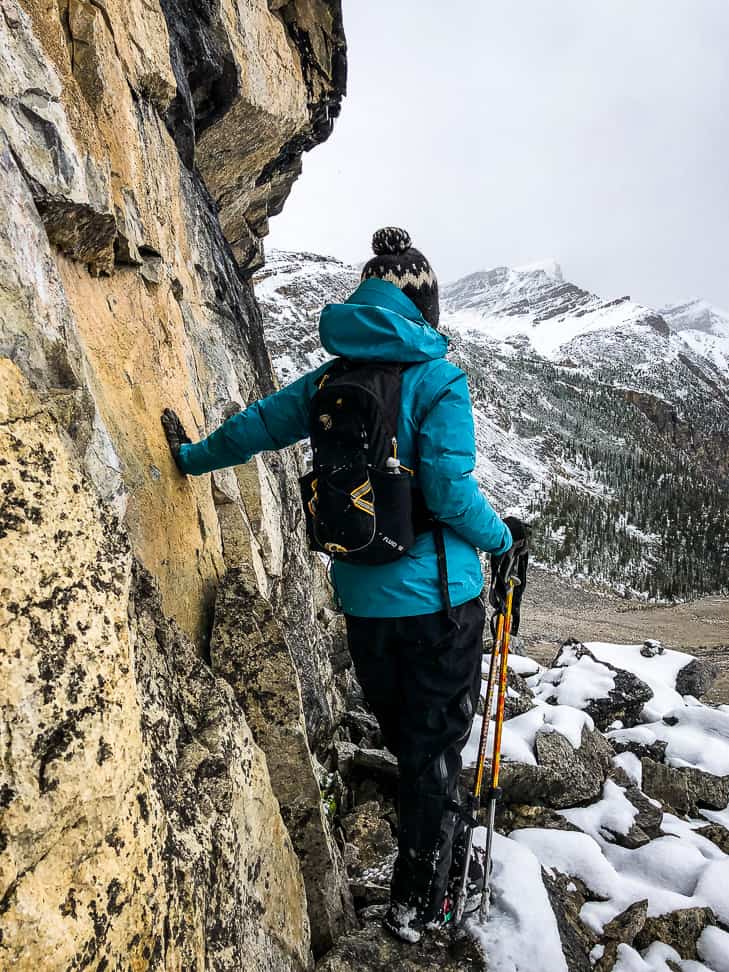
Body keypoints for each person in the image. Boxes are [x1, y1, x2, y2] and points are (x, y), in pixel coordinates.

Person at [161, 226, 526, 944]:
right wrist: (504, 539)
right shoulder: (438, 380)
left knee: (404, 737)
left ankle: (419, 875)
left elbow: (256, 428)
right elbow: (451, 494)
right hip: (439, 600)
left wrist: (191, 456)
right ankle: (421, 901)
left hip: (361, 595)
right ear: (427, 313)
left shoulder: (332, 379)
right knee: (434, 748)